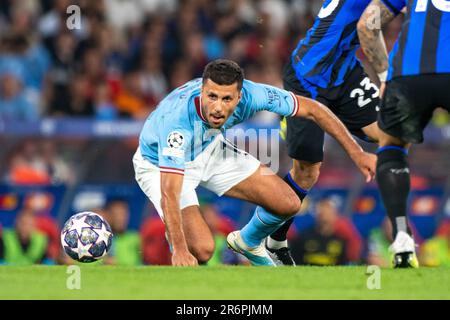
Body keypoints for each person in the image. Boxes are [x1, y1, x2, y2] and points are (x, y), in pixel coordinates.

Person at [133, 59, 376, 266]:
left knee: (289, 203)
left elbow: (313, 109)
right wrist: (179, 249)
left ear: (240, 96)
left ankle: (248, 241)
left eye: (227, 99)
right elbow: (169, 192)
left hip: (209, 147)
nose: (218, 107)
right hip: (158, 165)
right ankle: (177, 235)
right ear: (202, 92)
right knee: (203, 249)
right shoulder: (176, 124)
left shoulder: (254, 94)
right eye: (212, 97)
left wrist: (357, 153)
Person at [256, 0, 382, 266]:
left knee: (387, 132)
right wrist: (386, 76)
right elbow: (370, 25)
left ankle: (403, 243)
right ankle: (272, 239)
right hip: (307, 78)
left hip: (343, 71)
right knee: (307, 172)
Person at [357, 0, 450, 267]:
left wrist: (385, 76)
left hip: (409, 75)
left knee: (392, 148)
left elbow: (367, 25)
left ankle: (401, 238)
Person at [290, 198, 362, 265]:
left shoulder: (342, 238)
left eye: (327, 212)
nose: (324, 215)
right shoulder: (303, 237)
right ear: (317, 216)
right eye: (321, 213)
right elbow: (294, 259)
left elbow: (351, 258)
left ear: (335, 215)